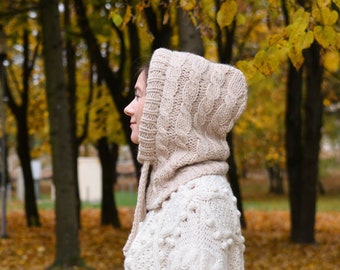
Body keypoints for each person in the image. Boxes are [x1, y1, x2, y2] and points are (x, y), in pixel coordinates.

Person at [123, 48, 247, 269]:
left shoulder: (203, 200)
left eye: (140, 95)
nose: (128, 108)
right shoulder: (171, 191)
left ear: (169, 110)